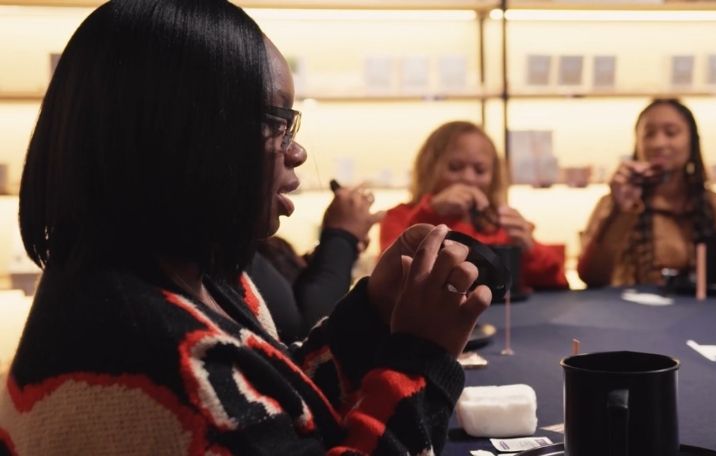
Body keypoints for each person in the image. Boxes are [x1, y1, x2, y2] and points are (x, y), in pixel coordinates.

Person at [0, 2, 490, 454]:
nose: (297, 152)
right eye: (276, 122)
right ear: (180, 133)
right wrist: (420, 360)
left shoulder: (196, 277)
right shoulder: (154, 357)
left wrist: (373, 314)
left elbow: (276, 401)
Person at [577, 98, 716, 287]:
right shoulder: (615, 204)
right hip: (633, 313)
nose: (659, 143)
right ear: (637, 144)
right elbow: (591, 277)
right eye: (649, 134)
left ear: (692, 141)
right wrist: (620, 211)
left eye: (671, 133)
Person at [380, 121, 569, 291]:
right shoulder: (398, 217)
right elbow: (388, 278)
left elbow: (557, 282)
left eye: (480, 170)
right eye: (455, 167)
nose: (468, 179)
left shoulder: (501, 224)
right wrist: (431, 213)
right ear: (429, 168)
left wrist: (529, 248)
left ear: (493, 176)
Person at [249, 183, 384, 343]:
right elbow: (304, 334)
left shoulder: (266, 247)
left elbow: (285, 290)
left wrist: (330, 254)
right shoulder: (226, 254)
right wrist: (341, 239)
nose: (299, 156)